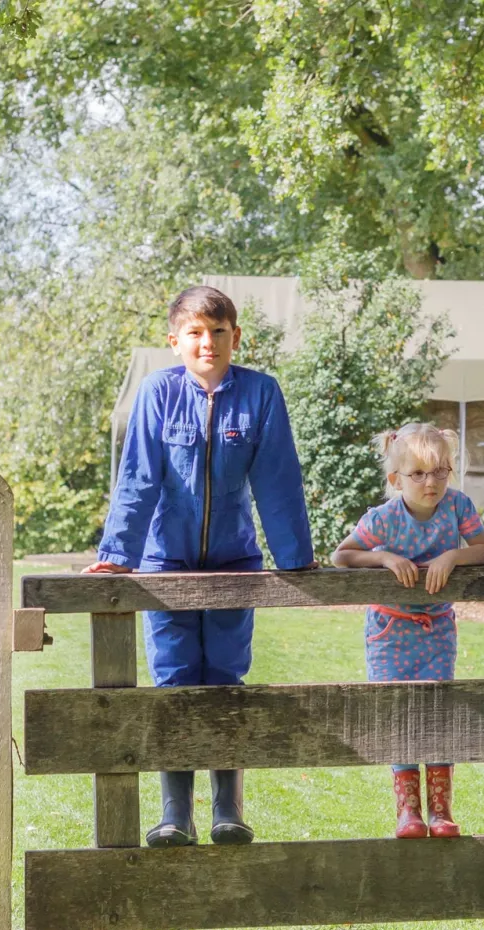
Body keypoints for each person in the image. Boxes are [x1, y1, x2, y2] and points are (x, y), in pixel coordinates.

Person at [88, 285, 314, 847]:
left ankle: (227, 809)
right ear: (174, 342)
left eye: (218, 331)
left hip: (234, 561)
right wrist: (118, 555)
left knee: (225, 680)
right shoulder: (157, 394)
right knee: (174, 681)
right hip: (166, 562)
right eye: (195, 332)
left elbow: (278, 480)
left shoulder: (261, 394)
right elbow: (139, 475)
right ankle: (174, 814)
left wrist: (295, 560)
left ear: (236, 337)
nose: (207, 342)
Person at [332, 423, 484, 838]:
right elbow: (343, 555)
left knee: (438, 710)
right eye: (419, 473)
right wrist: (383, 557)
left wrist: (453, 556)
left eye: (440, 471)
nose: (431, 482)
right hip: (390, 630)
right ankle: (409, 811)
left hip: (436, 628)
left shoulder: (457, 507)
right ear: (395, 479)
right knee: (400, 712)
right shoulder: (383, 520)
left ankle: (441, 810)